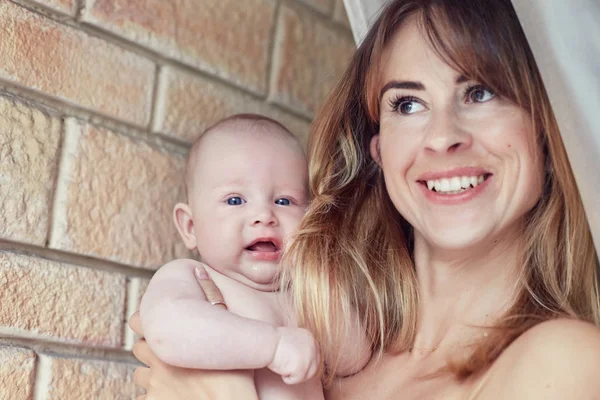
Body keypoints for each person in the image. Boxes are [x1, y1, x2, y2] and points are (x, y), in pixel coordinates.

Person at [130, 0, 600, 398]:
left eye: (480, 92)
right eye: (407, 104)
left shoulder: (568, 361)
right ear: (379, 151)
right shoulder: (334, 353)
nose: (442, 138)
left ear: (547, 132)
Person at [137, 114, 370, 400]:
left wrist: (319, 269)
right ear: (190, 226)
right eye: (235, 200)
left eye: (284, 201)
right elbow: (167, 330)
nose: (264, 216)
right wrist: (272, 346)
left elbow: (354, 358)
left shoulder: (304, 294)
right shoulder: (191, 277)